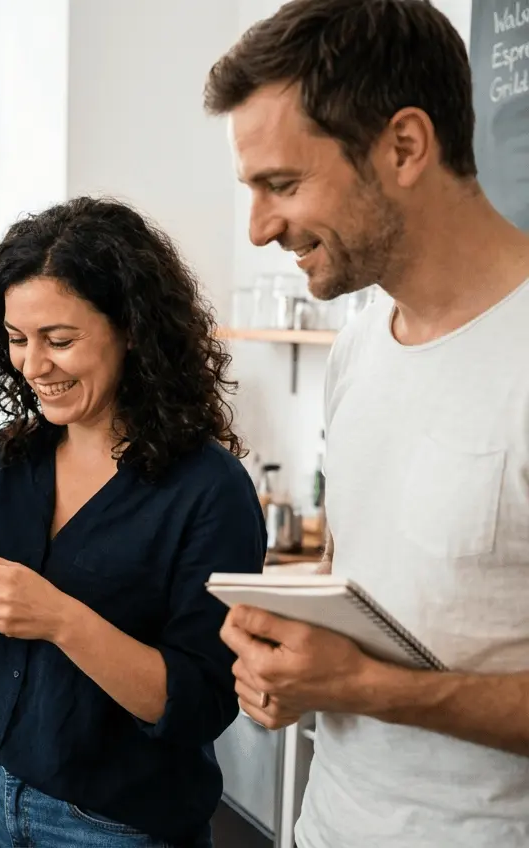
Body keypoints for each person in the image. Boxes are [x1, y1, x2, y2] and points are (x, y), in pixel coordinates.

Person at [204, 1, 529, 846]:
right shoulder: (358, 349)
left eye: (283, 183)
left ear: (405, 146)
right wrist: (295, 650)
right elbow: (375, 583)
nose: (260, 227)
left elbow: (373, 675)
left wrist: (363, 686)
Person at [0, 197, 264, 848]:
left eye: (59, 340)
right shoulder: (13, 457)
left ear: (133, 329)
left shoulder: (208, 491)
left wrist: (60, 618)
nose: (33, 365)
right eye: (17, 339)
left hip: (118, 824)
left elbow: (199, 704)